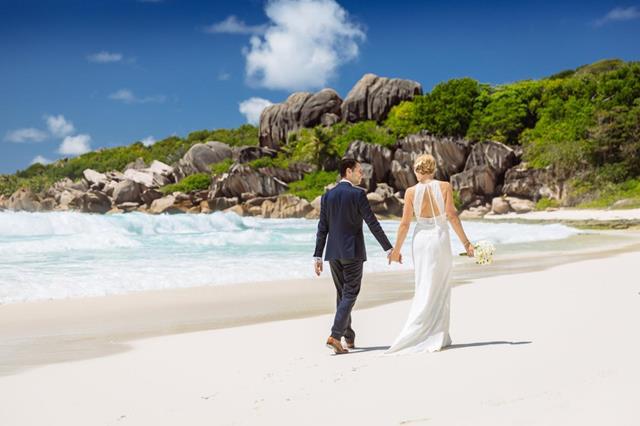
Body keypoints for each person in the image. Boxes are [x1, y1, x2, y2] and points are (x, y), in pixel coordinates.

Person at [385, 154, 474, 354]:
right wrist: (467, 243)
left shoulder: (409, 192)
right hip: (439, 237)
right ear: (433, 169)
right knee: (440, 284)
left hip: (421, 240)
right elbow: (451, 215)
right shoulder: (444, 187)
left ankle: (427, 332)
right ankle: (437, 333)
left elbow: (405, 224)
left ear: (417, 170)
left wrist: (396, 250)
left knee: (423, 283)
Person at [313, 158, 397, 354]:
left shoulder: (328, 196)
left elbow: (322, 228)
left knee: (343, 294)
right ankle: (335, 335)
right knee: (350, 293)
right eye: (359, 171)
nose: (362, 175)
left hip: (333, 253)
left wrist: (317, 256)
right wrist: (388, 248)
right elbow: (372, 223)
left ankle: (348, 337)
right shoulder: (358, 194)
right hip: (353, 252)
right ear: (348, 172)